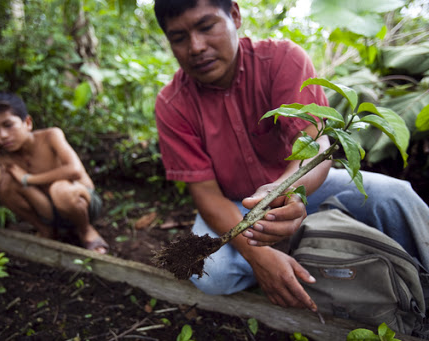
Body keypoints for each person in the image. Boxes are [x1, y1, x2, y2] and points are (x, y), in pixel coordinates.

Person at [153, 0, 429, 312]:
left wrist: (290, 191)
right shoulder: (172, 104)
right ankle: (284, 261)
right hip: (232, 203)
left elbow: (316, 144)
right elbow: (206, 195)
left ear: (234, 14)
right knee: (211, 276)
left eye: (206, 27)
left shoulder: (282, 59)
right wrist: (259, 256)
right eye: (179, 38)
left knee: (394, 196)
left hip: (300, 187)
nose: (196, 46)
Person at [0, 92, 108, 254]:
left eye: (8, 125)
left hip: (82, 204)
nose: (3, 135)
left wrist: (29, 179)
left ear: (27, 123)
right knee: (5, 183)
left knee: (60, 189)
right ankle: (47, 231)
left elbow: (75, 170)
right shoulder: (4, 157)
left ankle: (85, 230)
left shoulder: (50, 136)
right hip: (47, 210)